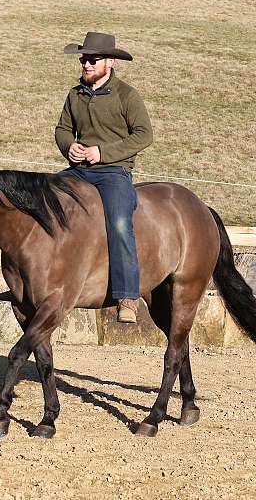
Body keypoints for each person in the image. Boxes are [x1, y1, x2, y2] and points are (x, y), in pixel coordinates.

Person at [55, 32, 153, 324]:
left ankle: (127, 297)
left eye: (92, 59)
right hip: (78, 170)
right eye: (84, 59)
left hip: (113, 172)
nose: (85, 64)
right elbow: (62, 129)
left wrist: (104, 152)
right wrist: (67, 146)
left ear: (109, 62)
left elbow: (144, 135)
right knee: (43, 203)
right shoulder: (75, 94)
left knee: (121, 223)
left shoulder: (127, 95)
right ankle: (39, 284)